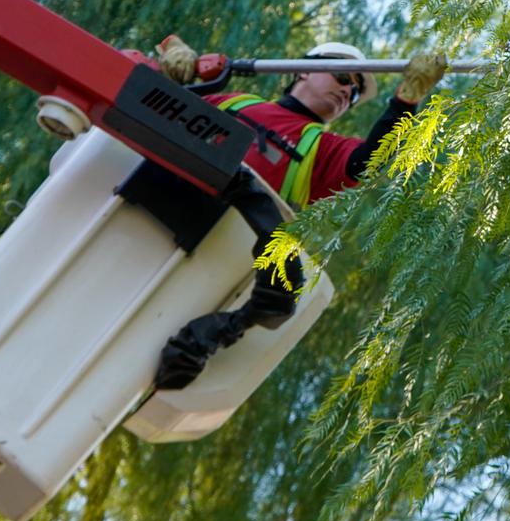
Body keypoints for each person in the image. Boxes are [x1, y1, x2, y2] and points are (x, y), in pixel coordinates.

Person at [146, 36, 447, 389]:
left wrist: (406, 101)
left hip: (209, 251)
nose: (347, 93)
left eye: (354, 94)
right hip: (149, 200)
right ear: (303, 70)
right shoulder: (235, 102)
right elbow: (151, 110)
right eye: (344, 78)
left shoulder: (323, 148)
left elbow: (370, 159)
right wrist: (173, 70)